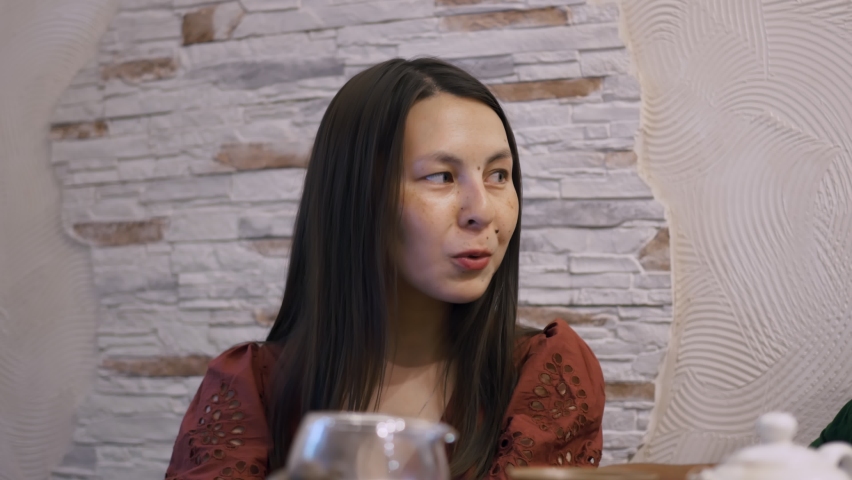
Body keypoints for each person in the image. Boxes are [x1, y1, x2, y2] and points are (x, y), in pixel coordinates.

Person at [164, 58, 606, 480]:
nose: (482, 211)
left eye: (498, 175)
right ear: (357, 196)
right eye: (442, 176)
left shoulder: (543, 375)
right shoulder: (251, 388)